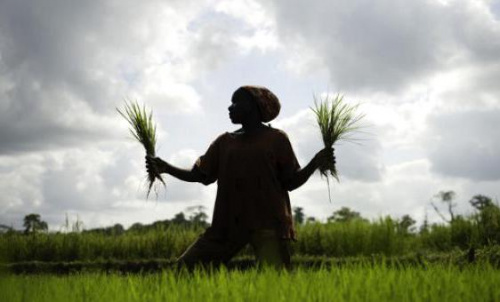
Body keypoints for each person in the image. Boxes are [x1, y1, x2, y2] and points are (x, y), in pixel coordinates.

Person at [146, 86, 334, 269]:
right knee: (185, 269)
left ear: (254, 106)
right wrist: (166, 168)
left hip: (267, 224)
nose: (230, 107)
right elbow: (200, 175)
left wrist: (315, 163)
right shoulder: (224, 142)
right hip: (228, 223)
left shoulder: (276, 139)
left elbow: (290, 181)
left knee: (275, 284)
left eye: (236, 102)